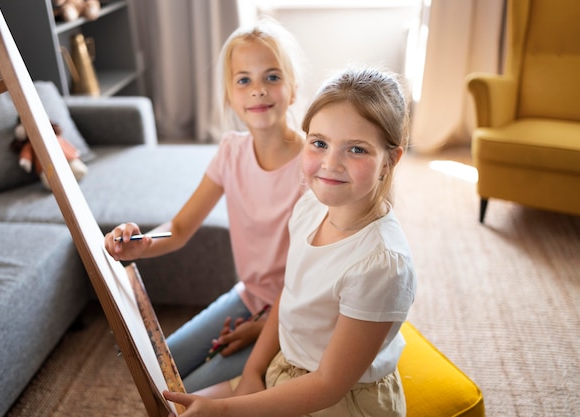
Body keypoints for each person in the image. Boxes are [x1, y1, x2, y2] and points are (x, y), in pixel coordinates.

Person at [163, 67, 418, 417]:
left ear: (390, 160)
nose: (331, 163)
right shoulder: (310, 206)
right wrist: (253, 369)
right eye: (319, 143)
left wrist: (224, 410)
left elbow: (329, 385)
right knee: (175, 407)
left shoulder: (382, 264)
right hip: (287, 365)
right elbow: (291, 290)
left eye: (356, 149)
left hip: (338, 400)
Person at [104, 17, 306, 392]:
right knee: (155, 373)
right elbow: (178, 229)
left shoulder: (312, 166)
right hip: (248, 296)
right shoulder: (231, 151)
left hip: (294, 317)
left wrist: (262, 328)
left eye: (272, 77)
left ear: (293, 89)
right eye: (243, 79)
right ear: (230, 95)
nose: (257, 90)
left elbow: (319, 280)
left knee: (189, 397)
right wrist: (141, 242)